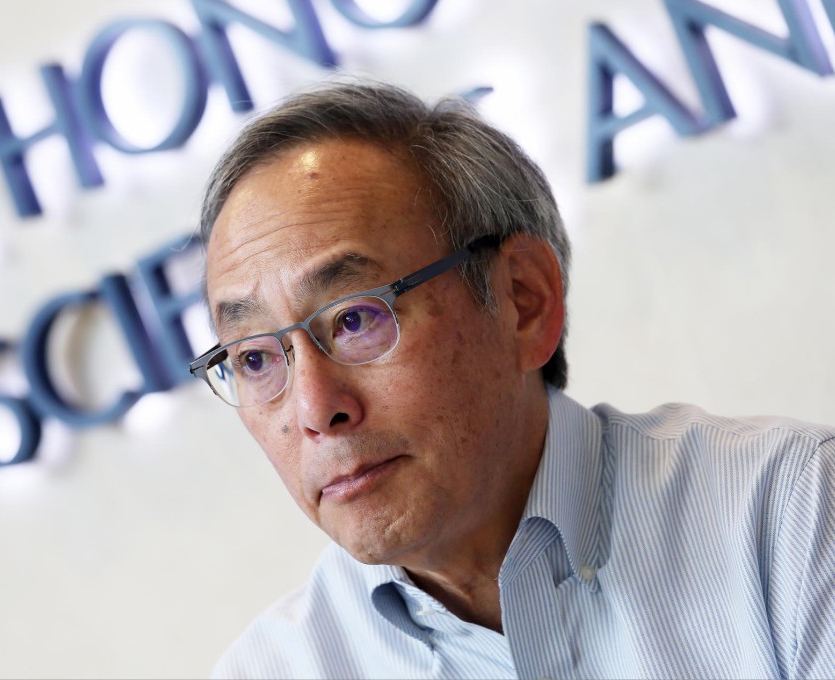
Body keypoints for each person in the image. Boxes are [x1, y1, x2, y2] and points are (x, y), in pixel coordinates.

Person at [187, 79, 835, 679]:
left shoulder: (790, 516)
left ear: (523, 300)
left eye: (356, 318)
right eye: (254, 358)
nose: (314, 408)